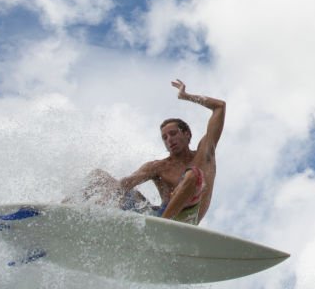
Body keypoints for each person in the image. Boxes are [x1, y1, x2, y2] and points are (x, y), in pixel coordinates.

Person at [72, 80, 225, 225]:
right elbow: (126, 184)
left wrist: (186, 96)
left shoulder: (204, 154)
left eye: (173, 134)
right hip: (156, 217)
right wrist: (106, 197)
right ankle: (60, 214)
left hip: (182, 221)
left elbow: (219, 106)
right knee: (98, 177)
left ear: (187, 134)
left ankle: (163, 226)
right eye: (164, 137)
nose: (169, 140)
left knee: (193, 175)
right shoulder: (159, 166)